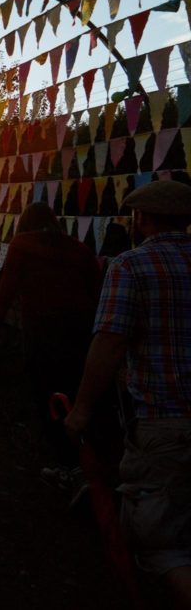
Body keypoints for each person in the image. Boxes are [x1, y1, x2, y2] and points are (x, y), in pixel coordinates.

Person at [65, 180, 191, 607]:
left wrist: (81, 410)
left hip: (163, 421)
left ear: (143, 218)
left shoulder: (131, 265)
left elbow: (109, 343)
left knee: (160, 545)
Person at [0, 202, 102, 500]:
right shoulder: (79, 248)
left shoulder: (22, 243)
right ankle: (87, 463)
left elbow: (8, 285)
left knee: (48, 397)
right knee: (77, 394)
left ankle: (70, 467)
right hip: (81, 333)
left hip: (42, 332)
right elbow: (96, 288)